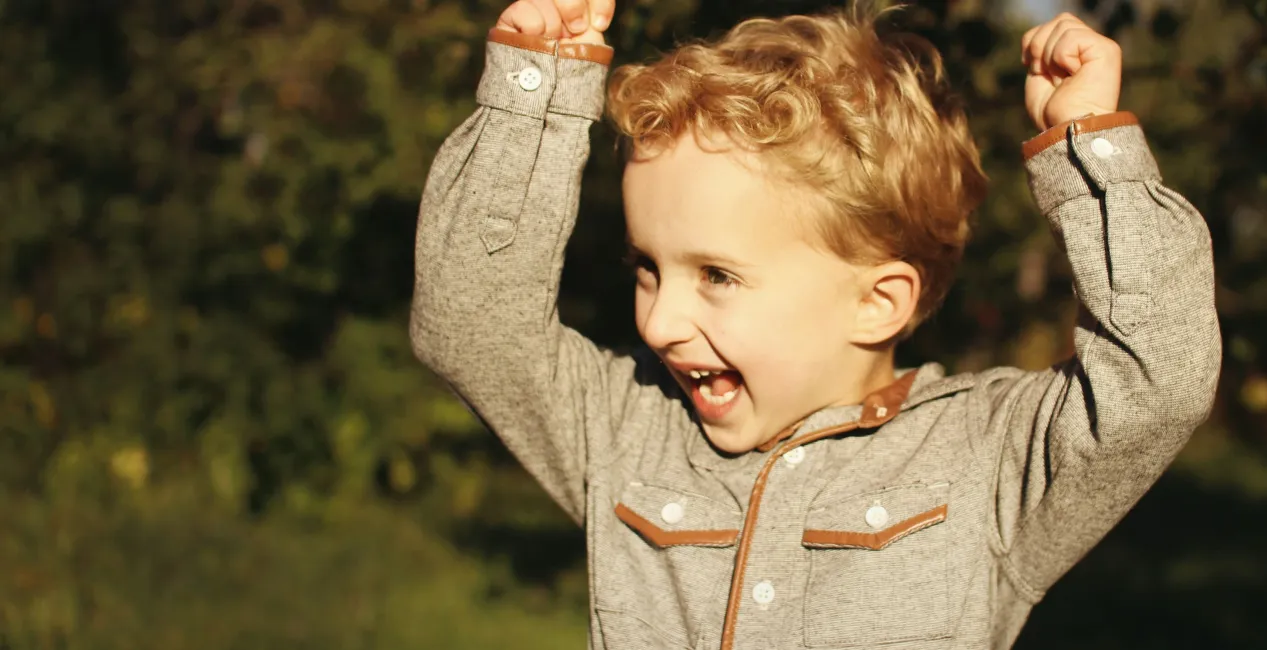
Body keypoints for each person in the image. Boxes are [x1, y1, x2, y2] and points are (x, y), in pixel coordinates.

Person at [409, 0, 1221, 647]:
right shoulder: (629, 431)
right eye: (646, 268)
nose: (659, 323)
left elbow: (1161, 378)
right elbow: (468, 322)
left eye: (716, 275)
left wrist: (1086, 149)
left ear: (879, 301)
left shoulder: (988, 462)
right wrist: (535, 97)